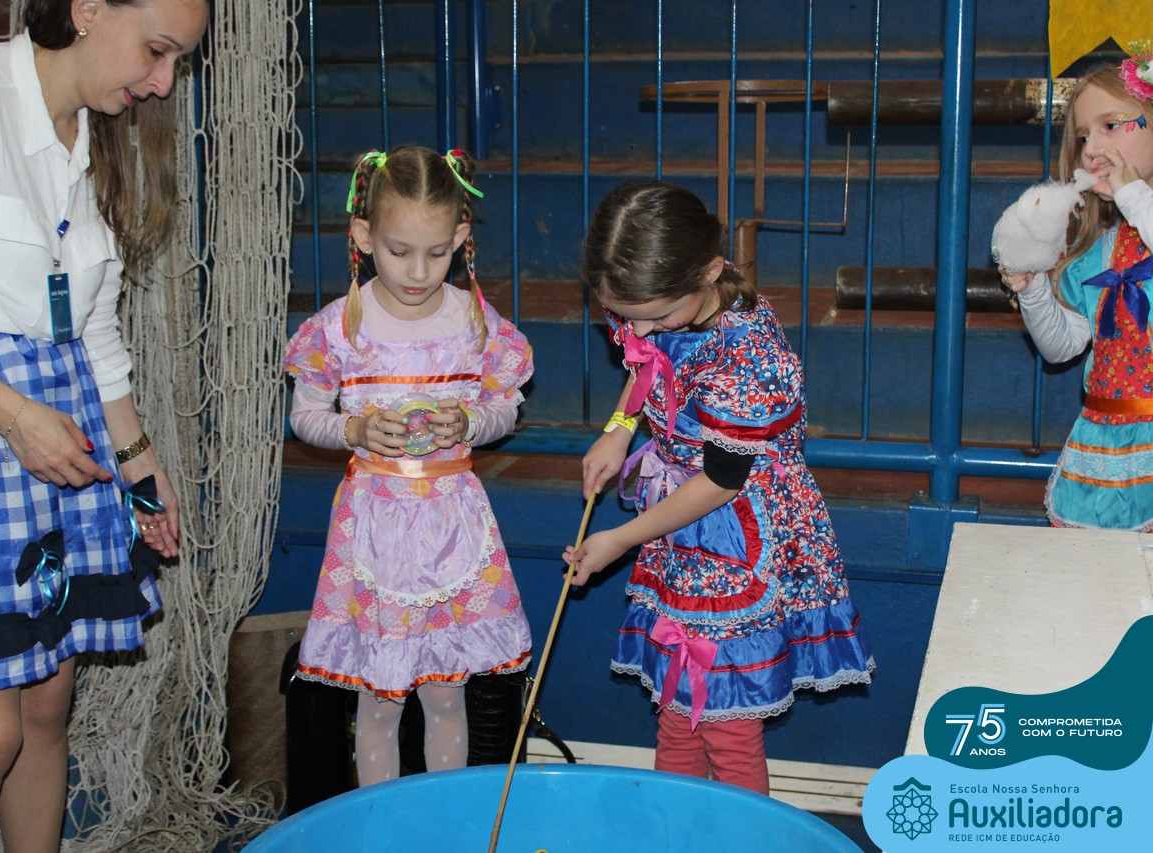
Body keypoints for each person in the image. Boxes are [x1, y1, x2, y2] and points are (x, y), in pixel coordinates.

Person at [0, 0, 207, 849]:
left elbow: (91, 325)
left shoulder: (89, 134)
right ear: (88, 10)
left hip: (58, 434)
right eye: (157, 50)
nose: (163, 82)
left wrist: (137, 458)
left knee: (47, 704)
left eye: (178, 61)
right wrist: (16, 416)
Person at [562, 181, 874, 794]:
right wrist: (619, 429)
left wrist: (620, 539)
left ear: (709, 271)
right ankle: (672, 830)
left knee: (728, 727)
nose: (637, 329)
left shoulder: (748, 355)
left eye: (654, 316)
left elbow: (722, 480)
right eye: (624, 315)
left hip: (737, 539)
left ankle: (743, 832)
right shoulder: (652, 305)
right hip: (683, 532)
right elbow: (649, 361)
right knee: (679, 713)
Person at [285, 145, 534, 786]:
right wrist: (355, 429)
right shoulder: (338, 329)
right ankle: (384, 826)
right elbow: (305, 417)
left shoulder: (475, 323)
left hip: (454, 527)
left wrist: (472, 422)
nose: (419, 272)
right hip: (374, 529)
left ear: (461, 239)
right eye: (399, 252)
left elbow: (505, 408)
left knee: (447, 695)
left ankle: (441, 823)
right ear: (363, 236)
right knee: (379, 700)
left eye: (438, 252)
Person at [999, 57, 1153, 531]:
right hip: (1106, 441)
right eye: (1083, 137)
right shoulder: (1098, 252)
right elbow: (1062, 347)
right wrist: (1033, 290)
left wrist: (1133, 194)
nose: (1092, 149)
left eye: (1111, 125)